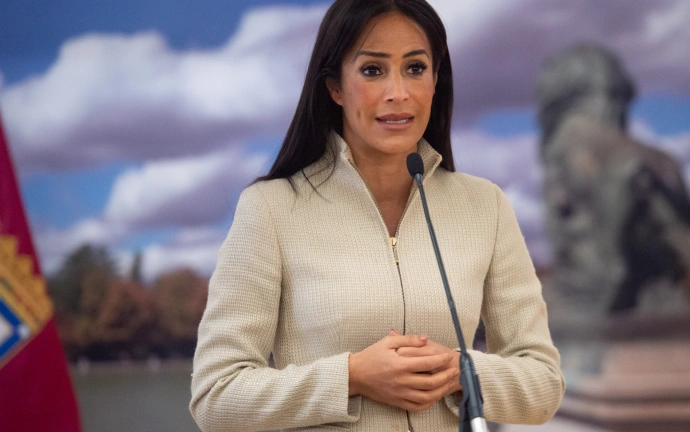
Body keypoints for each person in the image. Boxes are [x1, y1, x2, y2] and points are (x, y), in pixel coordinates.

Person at [189, 0, 565, 431]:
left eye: (415, 68)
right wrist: (351, 377)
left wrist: (460, 372)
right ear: (334, 86)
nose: (398, 93)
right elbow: (215, 395)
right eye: (372, 70)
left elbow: (544, 383)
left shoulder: (486, 206)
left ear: (436, 80)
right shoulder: (270, 209)